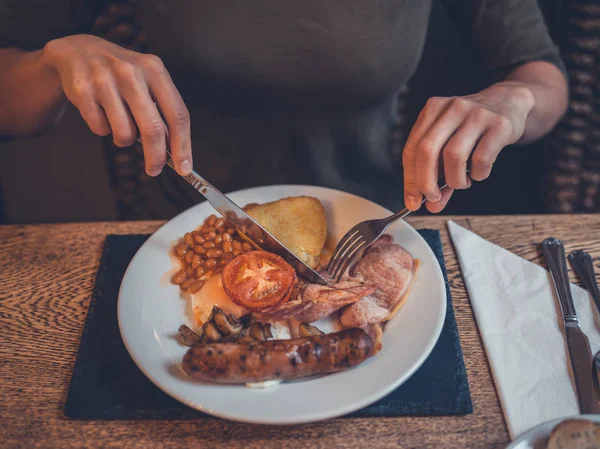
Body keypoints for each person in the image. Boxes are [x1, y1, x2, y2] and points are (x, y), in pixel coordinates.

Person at [0, 1, 568, 215]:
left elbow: (540, 72)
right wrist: (55, 61)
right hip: (182, 224)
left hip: (373, 225)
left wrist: (513, 100)